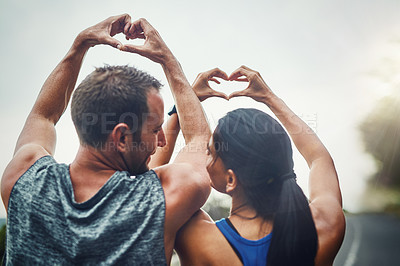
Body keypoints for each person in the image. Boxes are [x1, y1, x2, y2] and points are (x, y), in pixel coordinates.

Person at [1, 14, 214, 265]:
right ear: (121, 137)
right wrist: (169, 62)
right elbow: (200, 142)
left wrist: (79, 45)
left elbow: (43, 116)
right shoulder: (158, 200)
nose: (162, 141)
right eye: (155, 129)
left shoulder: (22, 178)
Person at [175, 66, 346, 266]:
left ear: (231, 179)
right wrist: (269, 97)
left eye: (210, 152)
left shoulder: (201, 239)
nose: (204, 158)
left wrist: (179, 108)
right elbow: (319, 158)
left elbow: (158, 188)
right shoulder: (325, 225)